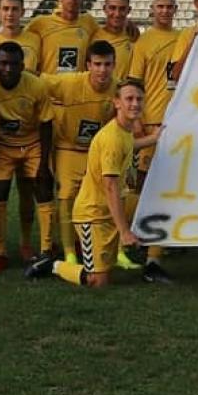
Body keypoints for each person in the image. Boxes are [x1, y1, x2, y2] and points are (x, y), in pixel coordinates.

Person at [25, 78, 159, 288]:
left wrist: (153, 138)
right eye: (129, 99)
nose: (135, 103)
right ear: (117, 102)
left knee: (152, 204)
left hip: (109, 211)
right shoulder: (112, 138)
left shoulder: (124, 131)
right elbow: (110, 186)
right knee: (97, 282)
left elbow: (130, 145)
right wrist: (124, 231)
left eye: (139, 99)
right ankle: (53, 265)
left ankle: (153, 259)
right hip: (92, 216)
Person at [42, 40, 117, 264]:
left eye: (107, 64)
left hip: (98, 151)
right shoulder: (69, 82)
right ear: (88, 65)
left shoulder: (119, 89)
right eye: (97, 64)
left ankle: (112, 249)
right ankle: (69, 253)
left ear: (114, 65)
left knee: (109, 196)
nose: (102, 70)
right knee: (66, 196)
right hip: (69, 147)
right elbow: (37, 81)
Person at [0, 41, 52, 270]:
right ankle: (0, 251)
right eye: (3, 64)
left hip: (32, 144)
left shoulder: (36, 86)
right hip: (2, 146)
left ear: (23, 65)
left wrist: (43, 163)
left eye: (13, 64)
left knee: (42, 189)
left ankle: (44, 248)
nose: (8, 69)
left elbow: (46, 124)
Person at [127, 0, 179, 283]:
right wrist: (137, 121)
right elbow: (135, 83)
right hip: (150, 125)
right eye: (159, 6)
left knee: (171, 185)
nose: (164, 11)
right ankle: (140, 240)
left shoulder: (185, 38)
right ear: (152, 10)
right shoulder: (144, 43)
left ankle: (157, 249)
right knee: (145, 187)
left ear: (175, 9)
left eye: (168, 6)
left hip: (177, 126)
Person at [26, 0, 99, 75]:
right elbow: (20, 38)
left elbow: (107, 35)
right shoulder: (40, 23)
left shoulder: (89, 22)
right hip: (50, 86)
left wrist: (127, 27)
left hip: (75, 87)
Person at [90, 0, 135, 80]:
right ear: (104, 9)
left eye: (122, 9)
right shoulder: (92, 38)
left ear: (129, 10)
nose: (117, 14)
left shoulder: (134, 39)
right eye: (112, 8)